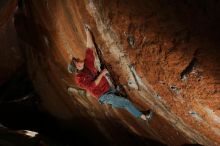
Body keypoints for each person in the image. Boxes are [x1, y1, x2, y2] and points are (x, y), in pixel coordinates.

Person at [68, 25, 153, 121]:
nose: (79, 58)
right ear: (78, 66)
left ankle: (140, 113)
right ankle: (145, 118)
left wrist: (87, 32)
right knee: (125, 102)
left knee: (124, 101)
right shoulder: (79, 79)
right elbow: (93, 85)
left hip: (107, 88)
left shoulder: (87, 63)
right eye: (77, 60)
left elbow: (89, 47)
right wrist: (102, 73)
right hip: (103, 96)